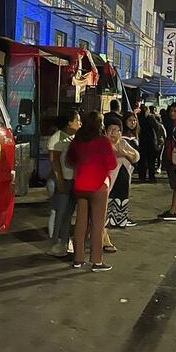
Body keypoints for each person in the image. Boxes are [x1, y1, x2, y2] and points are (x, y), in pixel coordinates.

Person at [66, 111, 117, 271]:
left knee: (81, 224)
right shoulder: (103, 141)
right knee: (97, 225)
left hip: (80, 185)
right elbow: (112, 164)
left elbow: (69, 160)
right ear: (99, 125)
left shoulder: (77, 140)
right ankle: (97, 261)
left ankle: (78, 259)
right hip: (98, 186)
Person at [47, 110, 81, 257]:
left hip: (73, 180)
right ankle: (56, 243)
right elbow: (54, 162)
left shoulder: (76, 137)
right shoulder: (57, 138)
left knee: (68, 214)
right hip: (61, 181)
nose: (80, 123)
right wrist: (60, 180)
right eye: (77, 120)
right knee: (59, 213)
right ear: (69, 122)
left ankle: (65, 242)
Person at [105, 116, 141, 229]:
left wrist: (125, 153)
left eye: (117, 130)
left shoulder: (123, 143)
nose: (114, 133)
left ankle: (118, 221)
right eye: (111, 129)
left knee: (120, 202)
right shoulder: (103, 143)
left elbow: (136, 156)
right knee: (106, 205)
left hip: (123, 182)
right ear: (106, 131)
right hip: (108, 183)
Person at [137, 105, 160, 183]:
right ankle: (151, 177)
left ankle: (142, 176)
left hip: (142, 141)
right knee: (151, 161)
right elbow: (157, 127)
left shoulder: (138, 118)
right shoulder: (151, 118)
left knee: (142, 160)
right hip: (151, 141)